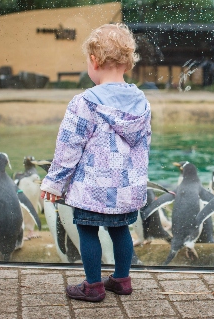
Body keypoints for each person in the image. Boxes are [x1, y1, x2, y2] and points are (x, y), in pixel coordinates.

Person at [40, 23, 151, 302]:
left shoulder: (85, 102)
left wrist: (54, 183)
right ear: (127, 62)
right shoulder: (141, 102)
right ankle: (122, 280)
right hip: (126, 190)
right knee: (120, 230)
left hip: (93, 189)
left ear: (94, 61)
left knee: (88, 231)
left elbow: (68, 147)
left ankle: (92, 286)